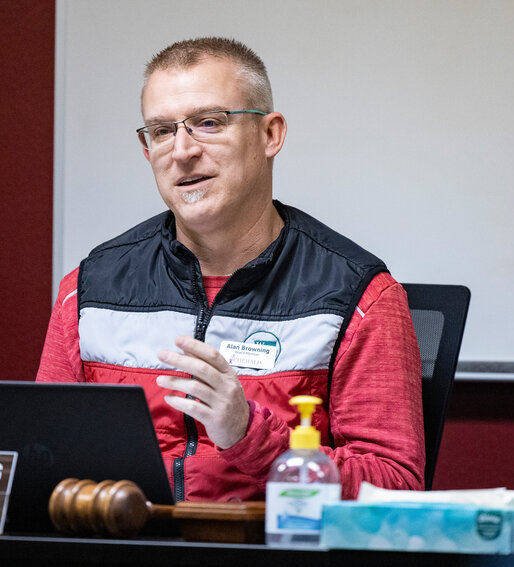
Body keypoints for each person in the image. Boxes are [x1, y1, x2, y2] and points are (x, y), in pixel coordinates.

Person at [37, 37, 424, 502]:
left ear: (270, 135)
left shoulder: (360, 298)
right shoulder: (88, 290)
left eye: (207, 123)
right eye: (161, 131)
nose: (181, 151)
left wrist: (248, 433)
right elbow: (45, 453)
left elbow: (395, 484)